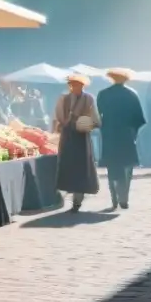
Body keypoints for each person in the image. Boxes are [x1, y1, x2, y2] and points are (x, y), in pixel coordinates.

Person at [96, 68, 145, 211]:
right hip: (126, 135)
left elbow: (98, 117)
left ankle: (114, 198)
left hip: (110, 135)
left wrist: (102, 129)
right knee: (127, 167)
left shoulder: (103, 94)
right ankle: (124, 198)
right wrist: (133, 132)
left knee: (112, 167)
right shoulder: (132, 94)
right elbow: (139, 119)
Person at [53, 73, 101, 212]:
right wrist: (65, 123)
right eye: (73, 84)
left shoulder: (89, 99)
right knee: (67, 166)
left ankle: (77, 200)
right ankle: (68, 193)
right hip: (68, 136)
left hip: (81, 137)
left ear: (82, 86)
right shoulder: (64, 99)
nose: (75, 87)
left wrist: (87, 123)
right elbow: (58, 116)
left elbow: (95, 118)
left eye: (78, 84)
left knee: (81, 167)